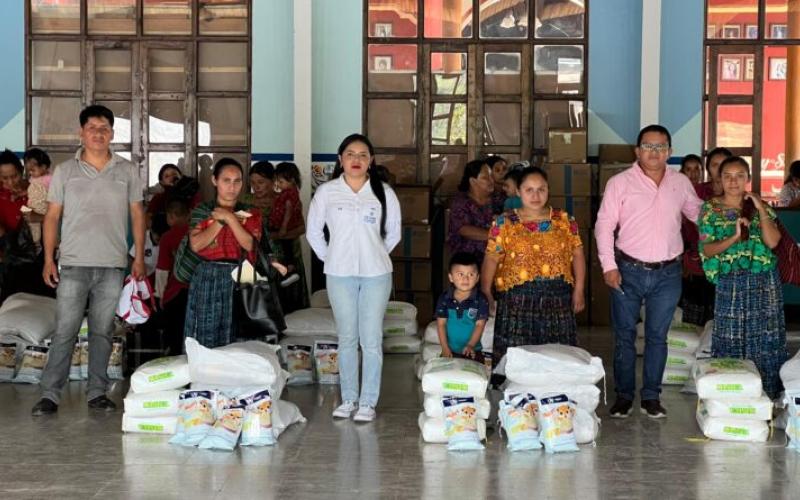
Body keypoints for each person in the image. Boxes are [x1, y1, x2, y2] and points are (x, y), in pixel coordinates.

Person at [32, 104, 147, 416]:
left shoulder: (126, 171)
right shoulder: (65, 172)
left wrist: (137, 256)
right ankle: (50, 394)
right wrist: (48, 259)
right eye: (92, 127)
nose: (98, 133)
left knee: (102, 331)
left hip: (112, 264)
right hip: (72, 264)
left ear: (112, 133)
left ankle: (97, 391)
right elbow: (51, 217)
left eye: (104, 128)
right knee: (65, 331)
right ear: (81, 133)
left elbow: (138, 214)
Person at [595, 124, 703, 419]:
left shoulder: (680, 183)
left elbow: (699, 215)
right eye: (648, 146)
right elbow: (604, 226)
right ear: (637, 150)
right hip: (627, 269)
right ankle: (624, 396)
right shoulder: (620, 183)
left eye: (660, 147)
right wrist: (609, 266)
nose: (654, 152)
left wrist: (731, 214)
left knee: (657, 336)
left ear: (670, 151)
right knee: (625, 336)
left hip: (668, 274)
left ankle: (651, 397)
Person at [307, 133, 401, 422]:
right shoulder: (327, 192)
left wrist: (375, 254)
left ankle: (368, 403)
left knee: (370, 339)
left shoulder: (384, 192)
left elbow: (394, 233)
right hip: (339, 274)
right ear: (340, 160)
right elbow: (313, 232)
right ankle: (348, 399)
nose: (356, 159)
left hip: (376, 274)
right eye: (350, 154)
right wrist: (333, 257)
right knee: (346, 338)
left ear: (371, 160)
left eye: (362, 154)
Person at [698, 156, 786, 399]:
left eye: (739, 176)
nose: (733, 181)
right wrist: (734, 238)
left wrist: (760, 209)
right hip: (731, 282)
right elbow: (707, 249)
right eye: (727, 176)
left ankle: (767, 394)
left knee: (766, 337)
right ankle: (730, 392)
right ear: (720, 180)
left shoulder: (761, 207)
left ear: (747, 178)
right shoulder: (710, 210)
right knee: (730, 337)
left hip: (764, 281)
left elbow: (773, 241)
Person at [482, 166, 586, 368]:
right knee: (517, 359)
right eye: (529, 190)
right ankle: (515, 398)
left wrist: (579, 289)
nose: (536, 195)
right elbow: (491, 258)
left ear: (548, 190)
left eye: (541, 189)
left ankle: (555, 397)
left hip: (557, 297)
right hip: (516, 300)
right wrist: (486, 290)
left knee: (557, 356)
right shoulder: (504, 223)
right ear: (518, 192)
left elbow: (578, 254)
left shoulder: (564, 220)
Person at [183, 157, 285, 348]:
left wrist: (229, 218)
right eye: (226, 181)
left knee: (240, 334)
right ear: (215, 181)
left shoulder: (251, 213)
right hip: (209, 277)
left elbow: (249, 244)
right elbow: (197, 244)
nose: (232, 187)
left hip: (242, 275)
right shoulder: (203, 211)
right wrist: (220, 221)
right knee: (207, 334)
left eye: (237, 181)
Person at [243, 161, 309, 313]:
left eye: (261, 182)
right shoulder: (245, 201)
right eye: (252, 182)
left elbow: (301, 228)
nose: (256, 186)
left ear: (273, 181)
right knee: (261, 308)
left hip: (286, 260)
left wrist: (276, 236)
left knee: (288, 308)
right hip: (257, 260)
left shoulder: (285, 199)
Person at [679, 153, 715, 326]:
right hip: (687, 256)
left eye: (697, 169)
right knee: (691, 302)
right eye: (688, 169)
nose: (693, 174)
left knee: (709, 300)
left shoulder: (707, 193)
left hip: (710, 255)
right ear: (682, 172)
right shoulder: (676, 193)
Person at [435, 252, 490, 362]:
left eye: (471, 274)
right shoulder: (444, 298)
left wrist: (470, 345)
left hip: (473, 351)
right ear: (451, 277)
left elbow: (480, 325)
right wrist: (445, 348)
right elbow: (441, 324)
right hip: (450, 351)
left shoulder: (481, 299)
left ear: (478, 277)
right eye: (460, 274)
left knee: (474, 378)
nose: (465, 279)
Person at [155, 198, 191, 355]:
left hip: (176, 291)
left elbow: (163, 269)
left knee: (175, 334)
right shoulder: (199, 232)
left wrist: (160, 295)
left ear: (171, 217)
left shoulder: (168, 237)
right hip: (197, 289)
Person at [448, 159, 494, 264]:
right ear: (473, 181)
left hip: (493, 261)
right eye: (485, 178)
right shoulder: (461, 202)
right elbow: (464, 229)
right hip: (467, 262)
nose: (491, 181)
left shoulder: (497, 200)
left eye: (491, 176)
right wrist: (496, 235)